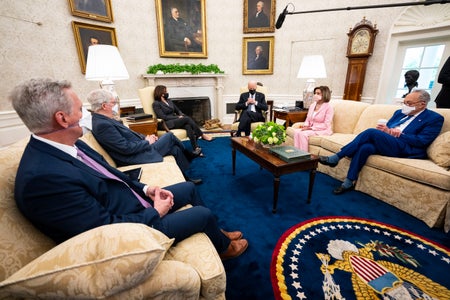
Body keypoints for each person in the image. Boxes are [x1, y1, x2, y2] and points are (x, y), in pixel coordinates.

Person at [10, 78, 248, 260]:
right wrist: (155, 211)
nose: (85, 115)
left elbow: (113, 175)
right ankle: (224, 249)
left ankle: (217, 233)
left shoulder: (70, 145)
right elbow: (103, 229)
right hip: (133, 228)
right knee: (202, 214)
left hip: (136, 202)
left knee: (187, 188)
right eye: (80, 109)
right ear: (62, 119)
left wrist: (147, 189)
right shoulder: (43, 179)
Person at [319, 89, 444, 195]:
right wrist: (386, 131)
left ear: (422, 104)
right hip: (390, 143)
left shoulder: (435, 118)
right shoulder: (399, 113)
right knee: (365, 148)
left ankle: (336, 157)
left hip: (407, 148)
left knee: (371, 132)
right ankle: (348, 182)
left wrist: (400, 134)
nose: (404, 105)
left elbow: (422, 141)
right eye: (404, 102)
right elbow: (388, 127)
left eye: (409, 103)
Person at [87, 89, 202, 184]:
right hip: (135, 156)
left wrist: (147, 137)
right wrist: (147, 142)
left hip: (139, 149)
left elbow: (130, 136)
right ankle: (189, 155)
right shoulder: (102, 124)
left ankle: (186, 179)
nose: (115, 106)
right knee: (170, 136)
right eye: (113, 103)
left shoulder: (104, 120)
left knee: (175, 149)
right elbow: (125, 148)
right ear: (104, 106)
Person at [152, 85, 214, 157]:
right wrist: (178, 117)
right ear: (161, 93)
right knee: (187, 119)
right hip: (165, 123)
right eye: (165, 91)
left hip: (174, 121)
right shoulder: (156, 103)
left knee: (187, 126)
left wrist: (181, 115)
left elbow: (178, 110)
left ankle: (196, 148)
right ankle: (202, 135)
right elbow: (162, 117)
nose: (167, 93)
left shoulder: (169, 101)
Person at [293, 86, 334, 151]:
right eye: (315, 93)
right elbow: (308, 119)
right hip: (311, 128)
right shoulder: (312, 105)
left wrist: (310, 128)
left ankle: (303, 155)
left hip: (322, 130)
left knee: (303, 134)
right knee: (296, 131)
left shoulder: (329, 107)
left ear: (325, 94)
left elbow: (326, 124)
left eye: (318, 93)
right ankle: (296, 152)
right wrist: (305, 125)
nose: (315, 95)